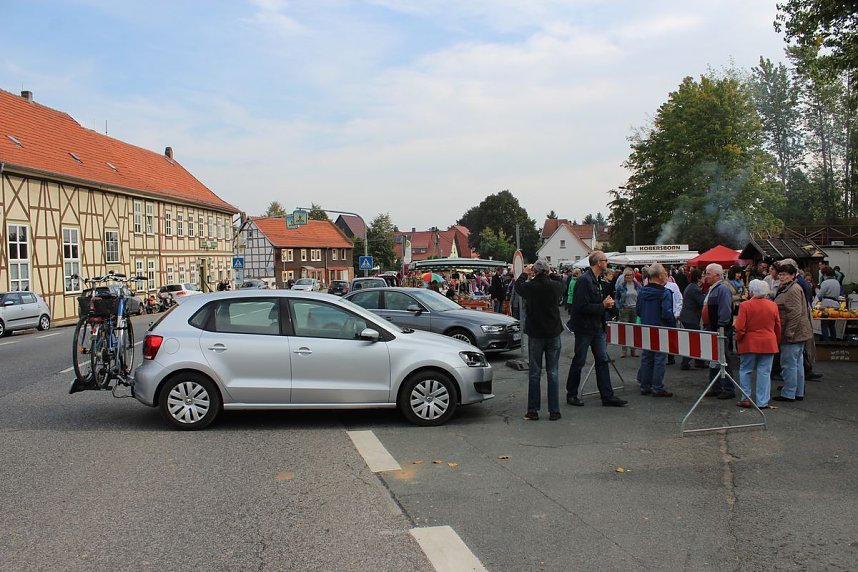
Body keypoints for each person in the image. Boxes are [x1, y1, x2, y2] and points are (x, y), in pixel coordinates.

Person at [565, 251, 628, 408]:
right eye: (605, 260)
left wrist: (605, 303)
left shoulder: (596, 279)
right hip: (585, 328)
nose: (607, 262)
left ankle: (607, 396)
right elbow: (581, 306)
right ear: (599, 262)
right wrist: (602, 305)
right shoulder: (584, 280)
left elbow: (593, 302)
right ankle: (571, 394)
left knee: (602, 360)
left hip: (597, 327)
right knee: (579, 361)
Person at [515, 259, 566, 421]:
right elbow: (562, 283)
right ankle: (554, 411)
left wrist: (525, 273)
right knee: (553, 372)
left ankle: (533, 410)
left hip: (536, 333)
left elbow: (518, 286)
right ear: (547, 271)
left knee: (535, 372)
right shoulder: (555, 286)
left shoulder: (531, 287)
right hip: (553, 332)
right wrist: (551, 273)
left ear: (535, 272)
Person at [734, 279, 780, 408]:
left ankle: (746, 397)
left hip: (749, 341)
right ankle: (762, 401)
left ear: (752, 291)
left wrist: (738, 338)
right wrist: (776, 340)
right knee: (764, 372)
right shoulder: (773, 305)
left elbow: (740, 327)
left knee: (746, 370)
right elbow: (777, 326)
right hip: (768, 341)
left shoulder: (745, 305)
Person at [772, 260, 813, 402]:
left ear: (793, 275)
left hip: (794, 334)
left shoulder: (793, 289)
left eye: (785, 274)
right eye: (780, 274)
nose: (782, 277)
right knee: (796, 364)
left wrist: (789, 333)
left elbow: (795, 313)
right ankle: (797, 392)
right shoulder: (788, 287)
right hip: (797, 333)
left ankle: (789, 393)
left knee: (789, 365)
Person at [636, 263, 676, 397]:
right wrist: (673, 328)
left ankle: (645, 385)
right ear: (659, 276)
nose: (666, 275)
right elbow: (667, 313)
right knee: (659, 358)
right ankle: (657, 387)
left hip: (646, 326)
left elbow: (638, 310)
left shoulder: (642, 291)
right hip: (661, 328)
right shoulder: (665, 293)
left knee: (647, 356)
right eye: (664, 273)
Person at [702, 263, 736, 399]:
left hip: (720, 330)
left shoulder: (722, 289)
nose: (705, 276)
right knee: (714, 358)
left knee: (723, 358)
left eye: (708, 274)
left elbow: (725, 310)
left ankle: (728, 388)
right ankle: (715, 386)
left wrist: (721, 326)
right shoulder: (714, 288)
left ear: (717, 275)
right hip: (713, 328)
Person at [679, 268, 707, 370]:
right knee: (695, 340)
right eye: (703, 276)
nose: (704, 278)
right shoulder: (695, 289)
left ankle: (699, 361)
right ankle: (685, 363)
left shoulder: (691, 287)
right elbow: (702, 301)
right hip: (691, 317)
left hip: (687, 317)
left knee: (693, 339)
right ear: (698, 278)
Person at [615, 267, 641, 358]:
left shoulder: (638, 285)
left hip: (635, 310)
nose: (629, 277)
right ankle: (624, 350)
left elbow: (641, 297)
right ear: (624, 276)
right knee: (624, 330)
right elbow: (617, 298)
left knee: (634, 330)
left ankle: (633, 350)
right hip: (624, 309)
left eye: (630, 275)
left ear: (633, 275)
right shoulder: (621, 286)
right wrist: (619, 307)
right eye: (627, 275)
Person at [817, 265, 841, 341]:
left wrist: (815, 301)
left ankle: (826, 341)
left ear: (825, 274)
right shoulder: (837, 282)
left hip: (826, 305)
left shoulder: (825, 283)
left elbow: (820, 294)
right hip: (836, 304)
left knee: (824, 325)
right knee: (832, 325)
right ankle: (834, 340)